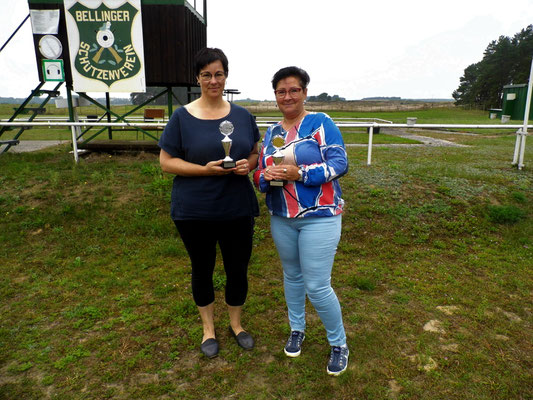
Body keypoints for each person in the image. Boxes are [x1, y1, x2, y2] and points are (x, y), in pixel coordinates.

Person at [159, 47, 260, 359]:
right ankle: (208, 330)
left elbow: (254, 152)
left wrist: (249, 165)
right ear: (198, 78)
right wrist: (203, 169)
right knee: (201, 269)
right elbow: (166, 162)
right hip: (194, 211)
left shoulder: (242, 116)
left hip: (237, 209)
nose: (213, 80)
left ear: (225, 76)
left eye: (218, 74)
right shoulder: (181, 117)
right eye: (206, 75)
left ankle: (236, 325)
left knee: (237, 269)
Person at [253, 66, 349, 376]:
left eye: (294, 90)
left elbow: (339, 162)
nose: (288, 96)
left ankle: (339, 344)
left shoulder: (321, 123)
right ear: (276, 97)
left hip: (319, 216)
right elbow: (260, 172)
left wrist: (302, 174)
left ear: (305, 92)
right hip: (282, 216)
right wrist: (263, 177)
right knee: (291, 276)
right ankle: (297, 329)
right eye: (281, 91)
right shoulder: (272, 132)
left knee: (318, 285)